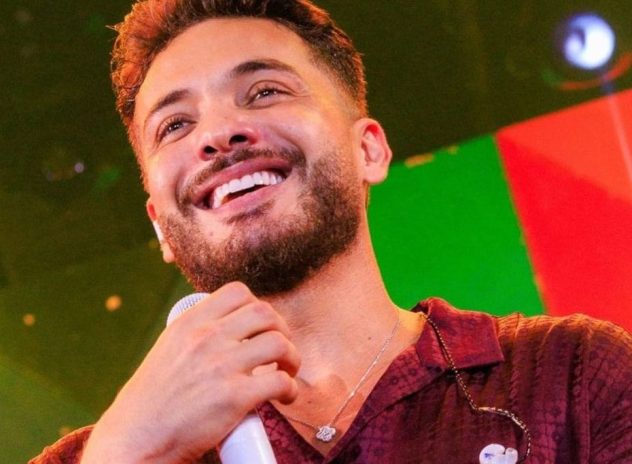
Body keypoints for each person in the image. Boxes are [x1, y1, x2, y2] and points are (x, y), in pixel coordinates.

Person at [31, 1, 632, 463]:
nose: (217, 134)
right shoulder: (91, 456)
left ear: (368, 149)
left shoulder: (572, 377)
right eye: (175, 125)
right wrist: (127, 452)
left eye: (264, 92)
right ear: (160, 225)